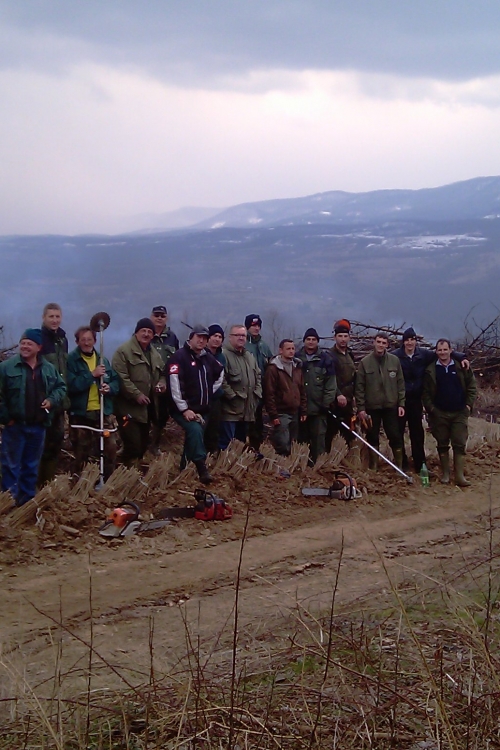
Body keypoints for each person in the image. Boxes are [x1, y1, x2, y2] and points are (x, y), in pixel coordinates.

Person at [0, 329, 66, 505]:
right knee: (10, 467)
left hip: (38, 427)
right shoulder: (6, 368)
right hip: (15, 427)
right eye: (23, 343)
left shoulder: (49, 369)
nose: (25, 346)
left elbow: (61, 388)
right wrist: (6, 419)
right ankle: (8, 504)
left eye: (29, 343)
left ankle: (27, 503)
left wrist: (51, 400)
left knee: (31, 467)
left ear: (39, 347)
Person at [392, 327, 468, 472]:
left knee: (417, 433)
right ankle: (402, 464)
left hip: (416, 400)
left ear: (416, 341)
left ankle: (420, 464)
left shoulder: (423, 354)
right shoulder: (395, 356)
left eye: (412, 339)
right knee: (398, 432)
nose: (410, 343)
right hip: (400, 400)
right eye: (407, 340)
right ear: (403, 342)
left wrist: (462, 357)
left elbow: (443, 354)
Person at [168, 325, 224, 483]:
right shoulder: (179, 357)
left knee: (193, 438)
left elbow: (220, 372)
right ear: (190, 338)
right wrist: (184, 409)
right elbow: (174, 386)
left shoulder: (207, 357)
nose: (201, 341)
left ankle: (183, 471)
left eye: (205, 338)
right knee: (195, 430)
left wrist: (208, 392)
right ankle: (201, 467)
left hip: (203, 408)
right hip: (182, 409)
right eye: (199, 337)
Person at [66, 326, 120, 479]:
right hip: (81, 414)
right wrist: (91, 375)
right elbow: (71, 386)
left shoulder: (103, 360)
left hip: (102, 412)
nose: (86, 343)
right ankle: (79, 484)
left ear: (95, 341)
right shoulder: (71, 360)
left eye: (89, 339)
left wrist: (109, 388)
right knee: (81, 452)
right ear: (77, 342)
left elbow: (116, 382)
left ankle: (108, 482)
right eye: (83, 340)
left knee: (110, 449)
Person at [112, 318, 166, 468]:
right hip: (128, 409)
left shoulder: (154, 354)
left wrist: (162, 384)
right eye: (143, 331)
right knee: (133, 446)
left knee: (142, 446)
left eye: (149, 332)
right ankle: (122, 471)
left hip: (146, 410)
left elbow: (163, 373)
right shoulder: (123, 352)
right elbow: (121, 378)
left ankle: (131, 472)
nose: (146, 334)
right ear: (136, 332)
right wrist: (136, 394)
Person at [422, 338, 476, 486]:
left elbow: (472, 387)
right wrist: (432, 409)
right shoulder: (430, 370)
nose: (442, 352)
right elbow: (425, 393)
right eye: (440, 350)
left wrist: (468, 406)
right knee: (442, 443)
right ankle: (445, 474)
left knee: (459, 443)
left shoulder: (461, 366)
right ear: (436, 352)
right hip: (439, 413)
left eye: (445, 349)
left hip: (459, 412)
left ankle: (459, 476)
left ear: (451, 350)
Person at [355, 332, 405, 470]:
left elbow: (400, 384)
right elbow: (359, 387)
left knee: (395, 436)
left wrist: (401, 404)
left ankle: (399, 466)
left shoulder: (394, 361)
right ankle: (373, 466)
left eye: (384, 343)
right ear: (374, 343)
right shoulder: (365, 362)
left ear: (387, 345)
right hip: (372, 407)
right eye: (378, 342)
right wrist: (361, 408)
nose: (381, 345)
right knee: (372, 436)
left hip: (391, 405)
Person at [38, 302, 69, 485]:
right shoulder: (39, 340)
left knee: (56, 443)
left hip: (60, 401)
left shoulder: (62, 340)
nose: (55, 320)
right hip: (44, 402)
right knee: (41, 444)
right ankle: (36, 485)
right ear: (44, 318)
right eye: (51, 316)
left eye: (57, 316)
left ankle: (48, 484)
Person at [297, 328, 337, 464]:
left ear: (317, 341)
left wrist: (326, 404)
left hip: (319, 408)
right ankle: (301, 465)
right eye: (308, 339)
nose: (311, 342)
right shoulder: (297, 358)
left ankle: (318, 465)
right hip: (300, 408)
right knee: (301, 439)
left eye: (313, 339)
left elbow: (331, 384)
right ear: (304, 341)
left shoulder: (326, 359)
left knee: (319, 439)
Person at [219, 325, 262, 449]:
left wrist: (258, 393)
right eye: (237, 335)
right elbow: (221, 380)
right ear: (230, 337)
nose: (241, 338)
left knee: (240, 445)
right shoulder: (223, 355)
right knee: (227, 444)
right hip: (230, 411)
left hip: (247, 410)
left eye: (243, 335)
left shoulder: (249, 356)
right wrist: (232, 396)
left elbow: (258, 375)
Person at [264, 339, 307, 456]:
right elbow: (269, 393)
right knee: (282, 443)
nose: (291, 351)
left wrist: (303, 410)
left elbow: (302, 390)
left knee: (293, 442)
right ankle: (280, 464)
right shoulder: (273, 369)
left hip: (295, 412)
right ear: (281, 350)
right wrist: (273, 414)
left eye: (293, 348)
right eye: (288, 349)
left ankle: (290, 464)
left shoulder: (297, 368)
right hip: (281, 412)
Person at [149, 305, 180, 454]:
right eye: (156, 315)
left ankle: (155, 445)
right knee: (145, 415)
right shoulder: (145, 334)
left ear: (166, 318)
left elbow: (177, 360)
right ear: (151, 317)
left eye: (162, 316)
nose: (159, 318)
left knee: (162, 415)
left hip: (166, 383)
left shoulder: (172, 337)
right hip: (147, 382)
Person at [326, 319, 357, 449]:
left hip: (348, 402)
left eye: (345, 336)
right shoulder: (329, 356)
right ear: (335, 337)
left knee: (349, 434)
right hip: (335, 402)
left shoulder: (350, 355)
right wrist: (338, 394)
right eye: (340, 336)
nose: (343, 339)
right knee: (331, 433)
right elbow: (329, 379)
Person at [245, 314, 273, 450]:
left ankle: (257, 449)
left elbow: (270, 367)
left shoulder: (264, 346)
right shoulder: (243, 344)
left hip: (261, 390)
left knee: (258, 423)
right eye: (253, 326)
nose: (256, 328)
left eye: (258, 326)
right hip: (246, 391)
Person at [203, 325, 227, 454]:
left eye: (220, 337)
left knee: (214, 430)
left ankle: (211, 455)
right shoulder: (201, 354)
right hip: (201, 399)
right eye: (214, 336)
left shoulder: (221, 357)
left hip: (216, 398)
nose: (217, 339)